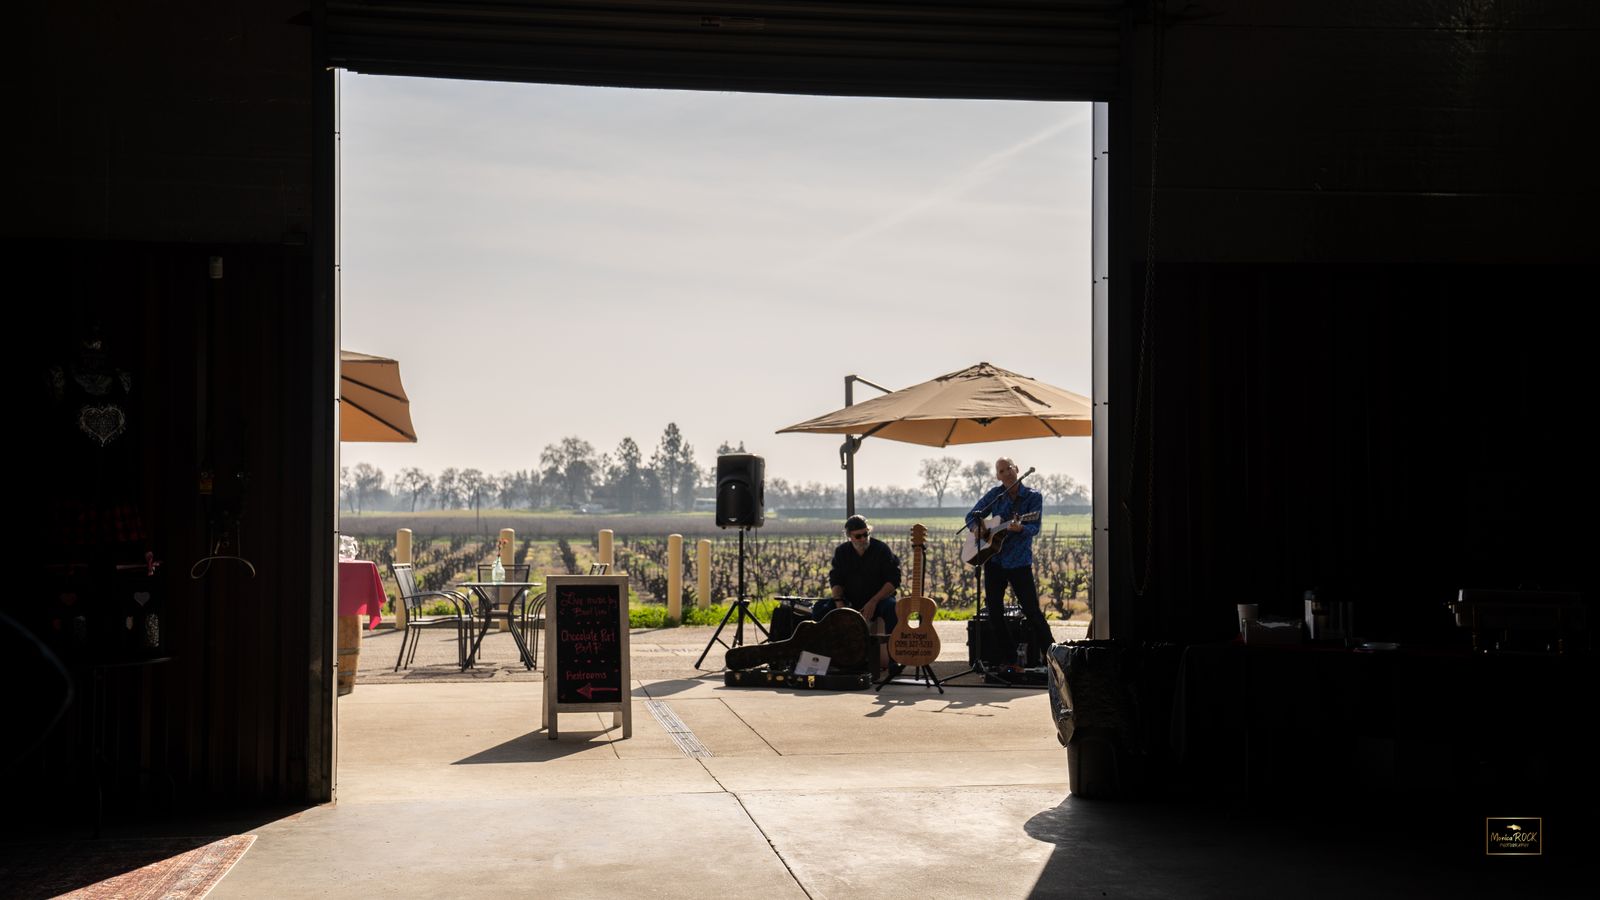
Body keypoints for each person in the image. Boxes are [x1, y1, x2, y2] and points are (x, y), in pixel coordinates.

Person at [966, 457, 1053, 668]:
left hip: (1019, 561)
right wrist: (977, 528)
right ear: (998, 476)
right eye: (1002, 471)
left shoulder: (1033, 496)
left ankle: (1053, 655)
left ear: (1017, 469)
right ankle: (1010, 658)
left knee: (1031, 610)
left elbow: (1035, 527)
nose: (1007, 473)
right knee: (994, 612)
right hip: (994, 560)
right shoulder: (995, 495)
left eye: (1009, 468)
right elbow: (972, 516)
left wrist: (1021, 527)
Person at [816, 514, 901, 674]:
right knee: (820, 609)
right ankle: (824, 659)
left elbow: (893, 580)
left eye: (865, 534)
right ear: (849, 536)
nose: (863, 539)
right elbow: (836, 580)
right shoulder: (842, 552)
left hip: (879, 599)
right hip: (850, 600)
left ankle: (893, 660)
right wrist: (840, 604)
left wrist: (874, 601)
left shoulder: (881, 549)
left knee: (892, 608)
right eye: (858, 536)